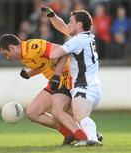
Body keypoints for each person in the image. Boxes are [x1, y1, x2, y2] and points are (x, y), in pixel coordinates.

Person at [0, 34, 103, 146]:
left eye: (6, 54)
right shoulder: (24, 58)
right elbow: (43, 65)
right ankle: (71, 134)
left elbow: (64, 52)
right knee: (32, 112)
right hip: (54, 83)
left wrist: (56, 76)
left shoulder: (34, 46)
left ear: (12, 47)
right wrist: (29, 74)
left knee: (60, 112)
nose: (7, 58)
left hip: (66, 77)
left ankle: (83, 136)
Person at [41, 8, 102, 146]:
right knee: (64, 113)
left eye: (71, 21)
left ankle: (91, 139)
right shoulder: (86, 37)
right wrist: (52, 16)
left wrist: (40, 51)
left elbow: (53, 54)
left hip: (85, 87)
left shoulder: (78, 40)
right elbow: (63, 27)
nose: (69, 24)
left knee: (81, 117)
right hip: (90, 86)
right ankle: (92, 137)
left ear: (79, 25)